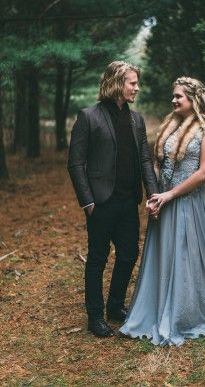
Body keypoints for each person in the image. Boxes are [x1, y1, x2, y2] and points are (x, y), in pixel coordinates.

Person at [119, 76, 205, 346]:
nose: (173, 100)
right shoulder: (171, 126)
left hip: (186, 203)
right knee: (163, 254)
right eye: (173, 96)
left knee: (184, 256)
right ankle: (157, 308)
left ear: (194, 99)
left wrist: (171, 194)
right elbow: (159, 162)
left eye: (178, 96)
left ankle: (184, 312)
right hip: (164, 201)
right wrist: (155, 196)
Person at [68, 61, 158, 338]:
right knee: (97, 259)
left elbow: (145, 158)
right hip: (101, 203)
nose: (136, 88)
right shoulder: (88, 117)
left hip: (128, 201)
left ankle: (115, 307)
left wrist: (153, 194)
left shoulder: (136, 119)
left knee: (129, 254)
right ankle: (95, 317)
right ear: (117, 83)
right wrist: (88, 203)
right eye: (132, 83)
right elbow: (75, 163)